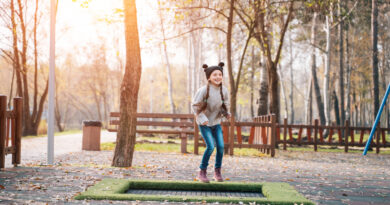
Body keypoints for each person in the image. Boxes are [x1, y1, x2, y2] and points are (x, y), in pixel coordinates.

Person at [192, 62, 230, 183]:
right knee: (210, 147)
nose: (218, 77)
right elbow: (194, 106)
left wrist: (226, 113)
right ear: (209, 77)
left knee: (220, 147)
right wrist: (202, 119)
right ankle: (202, 172)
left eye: (220, 74)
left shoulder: (224, 90)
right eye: (215, 75)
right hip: (204, 124)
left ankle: (217, 171)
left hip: (216, 123)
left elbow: (226, 104)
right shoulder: (203, 90)